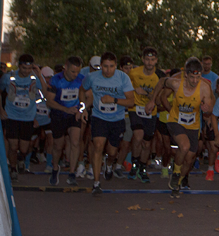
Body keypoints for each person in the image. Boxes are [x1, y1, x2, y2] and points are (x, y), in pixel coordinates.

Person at [153, 58, 214, 197]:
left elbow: (209, 107)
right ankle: (175, 172)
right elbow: (162, 81)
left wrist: (206, 108)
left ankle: (177, 183)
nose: (195, 81)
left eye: (198, 77)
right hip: (176, 121)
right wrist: (152, 100)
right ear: (186, 74)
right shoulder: (176, 83)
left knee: (190, 158)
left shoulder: (204, 87)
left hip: (193, 125)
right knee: (184, 147)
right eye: (192, 77)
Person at [80, 52, 135, 196]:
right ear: (101, 66)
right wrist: (83, 108)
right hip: (99, 117)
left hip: (117, 119)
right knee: (98, 146)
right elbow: (82, 89)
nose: (108, 70)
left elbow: (131, 101)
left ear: (116, 66)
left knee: (112, 152)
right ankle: (96, 183)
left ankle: (109, 164)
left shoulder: (123, 78)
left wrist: (114, 100)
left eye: (111, 66)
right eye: (105, 66)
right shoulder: (92, 77)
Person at [1, 54, 47, 181]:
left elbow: (45, 91)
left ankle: (21, 158)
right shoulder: (9, 77)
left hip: (28, 117)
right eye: (24, 68)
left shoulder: (34, 78)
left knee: (24, 147)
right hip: (12, 116)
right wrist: (0, 109)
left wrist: (39, 75)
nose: (26, 71)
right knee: (13, 145)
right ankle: (13, 169)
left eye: (29, 69)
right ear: (19, 66)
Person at [127, 47, 166, 183]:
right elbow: (126, 89)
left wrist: (148, 95)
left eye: (152, 60)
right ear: (143, 60)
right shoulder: (133, 73)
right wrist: (133, 90)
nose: (149, 63)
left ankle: (143, 168)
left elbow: (161, 97)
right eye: (147, 60)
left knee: (147, 143)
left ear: (156, 61)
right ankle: (134, 164)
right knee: (138, 136)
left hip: (151, 112)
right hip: (135, 108)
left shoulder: (160, 76)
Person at [46, 56, 85, 186]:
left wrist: (81, 109)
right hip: (58, 114)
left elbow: (86, 98)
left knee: (75, 142)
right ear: (66, 68)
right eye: (73, 71)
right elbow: (49, 101)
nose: (75, 75)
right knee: (58, 145)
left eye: (77, 72)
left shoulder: (81, 80)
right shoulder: (56, 80)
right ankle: (55, 167)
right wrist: (64, 109)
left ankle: (72, 173)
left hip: (74, 114)